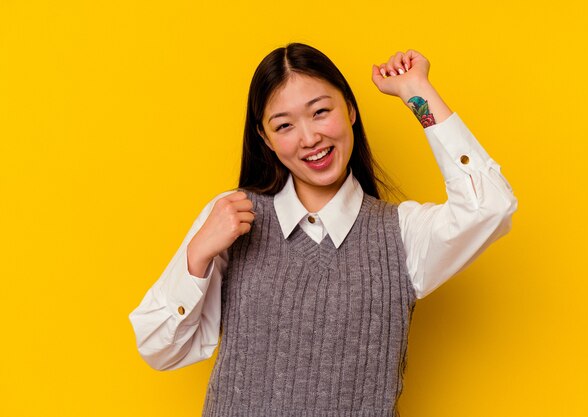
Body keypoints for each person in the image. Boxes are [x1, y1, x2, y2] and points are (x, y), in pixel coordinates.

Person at [129, 43, 518, 416]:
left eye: (319, 112)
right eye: (284, 125)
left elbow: (491, 207)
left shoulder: (402, 235)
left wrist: (417, 92)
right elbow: (160, 349)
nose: (310, 138)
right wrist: (196, 257)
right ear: (265, 139)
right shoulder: (233, 218)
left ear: (350, 109)